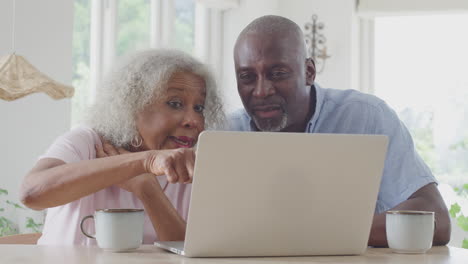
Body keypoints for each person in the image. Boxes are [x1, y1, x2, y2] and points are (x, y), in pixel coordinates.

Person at [228, 15, 450, 246]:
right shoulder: (224, 133)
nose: (261, 91)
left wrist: (313, 233)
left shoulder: (367, 117)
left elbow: (437, 220)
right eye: (247, 77)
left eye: (278, 73)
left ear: (309, 72)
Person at [19, 49, 224, 245]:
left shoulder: (191, 167)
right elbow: (32, 193)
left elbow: (189, 255)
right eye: (175, 103)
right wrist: (145, 161)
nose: (194, 120)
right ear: (133, 104)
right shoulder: (87, 142)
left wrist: (147, 189)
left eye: (199, 108)